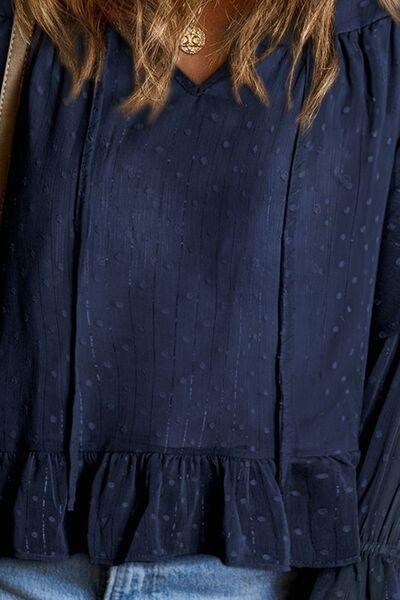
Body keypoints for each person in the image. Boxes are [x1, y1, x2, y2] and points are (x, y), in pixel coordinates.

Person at [0, 0, 399, 598]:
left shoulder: (371, 41)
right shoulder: (36, 21)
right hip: (25, 563)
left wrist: (363, 573)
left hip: (257, 574)